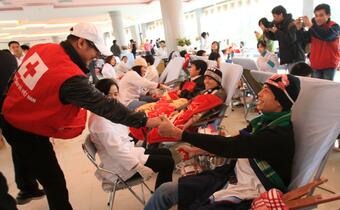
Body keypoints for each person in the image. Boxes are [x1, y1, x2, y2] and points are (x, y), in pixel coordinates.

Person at [1, 23, 162, 210]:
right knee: (55, 182)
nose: (96, 57)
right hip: (25, 129)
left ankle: (27, 187)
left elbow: (14, 80)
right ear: (81, 42)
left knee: (29, 162)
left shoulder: (41, 48)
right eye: (94, 50)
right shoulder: (69, 76)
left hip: (12, 116)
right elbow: (106, 106)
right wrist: (145, 121)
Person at [145, 74, 301, 210]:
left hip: (252, 189)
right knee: (165, 191)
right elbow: (237, 143)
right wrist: (197, 151)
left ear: (279, 101)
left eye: (266, 91)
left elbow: (231, 146)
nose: (259, 94)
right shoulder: (261, 122)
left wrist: (179, 134)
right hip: (232, 176)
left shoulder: (277, 134)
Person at [89, 79, 174, 189]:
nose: (113, 98)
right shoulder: (100, 122)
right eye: (108, 95)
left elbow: (122, 135)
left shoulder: (107, 112)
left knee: (166, 152)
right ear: (99, 96)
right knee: (167, 162)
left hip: (126, 153)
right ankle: (162, 198)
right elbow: (117, 151)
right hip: (121, 166)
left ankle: (162, 192)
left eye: (115, 94)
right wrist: (139, 167)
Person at [296, 3, 339, 80]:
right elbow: (304, 39)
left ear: (328, 15)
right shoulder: (314, 28)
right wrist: (299, 29)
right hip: (315, 64)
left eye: (321, 15)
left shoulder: (335, 26)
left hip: (329, 65)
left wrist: (310, 25)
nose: (318, 18)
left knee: (326, 90)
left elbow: (326, 35)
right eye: (316, 15)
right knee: (317, 90)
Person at [264, 5, 305, 72]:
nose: (274, 19)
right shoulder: (279, 24)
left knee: (297, 80)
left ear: (281, 14)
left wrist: (277, 31)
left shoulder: (291, 23)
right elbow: (275, 37)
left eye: (275, 16)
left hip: (295, 58)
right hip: (289, 58)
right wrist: (266, 32)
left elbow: (290, 39)